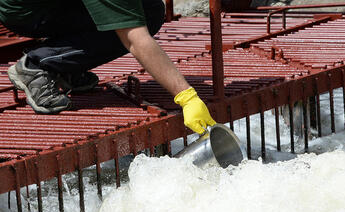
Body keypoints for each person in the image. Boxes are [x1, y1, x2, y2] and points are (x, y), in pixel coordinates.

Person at [0, 0, 216, 134]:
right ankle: (39, 65)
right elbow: (135, 39)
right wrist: (186, 97)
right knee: (137, 21)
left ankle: (66, 65)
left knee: (149, 8)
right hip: (28, 12)